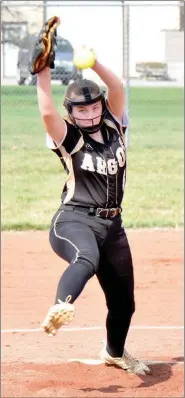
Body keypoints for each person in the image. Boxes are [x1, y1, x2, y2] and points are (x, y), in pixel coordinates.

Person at [36, 38, 150, 376]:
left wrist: (94, 63)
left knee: (124, 304)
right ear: (71, 112)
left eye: (94, 106)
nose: (90, 113)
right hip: (74, 221)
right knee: (86, 257)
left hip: (113, 227)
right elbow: (45, 112)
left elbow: (115, 85)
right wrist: (42, 71)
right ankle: (61, 306)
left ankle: (114, 352)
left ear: (101, 105)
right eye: (81, 110)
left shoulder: (116, 125)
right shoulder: (69, 138)